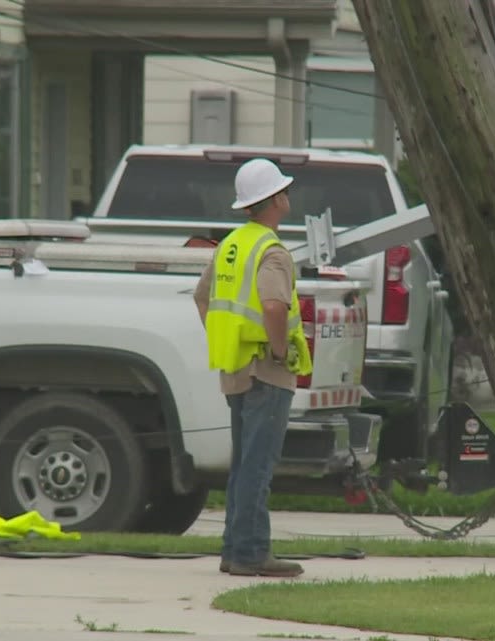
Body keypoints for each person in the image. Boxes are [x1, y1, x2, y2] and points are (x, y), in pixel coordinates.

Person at [193, 157, 313, 578]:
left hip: (236, 369)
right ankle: (250, 553)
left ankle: (234, 550)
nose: (288, 195)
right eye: (284, 190)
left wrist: (225, 339)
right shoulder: (273, 252)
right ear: (275, 199)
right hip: (267, 370)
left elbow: (201, 298)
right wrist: (279, 351)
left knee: (244, 464)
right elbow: (275, 306)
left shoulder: (231, 244)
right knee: (258, 466)